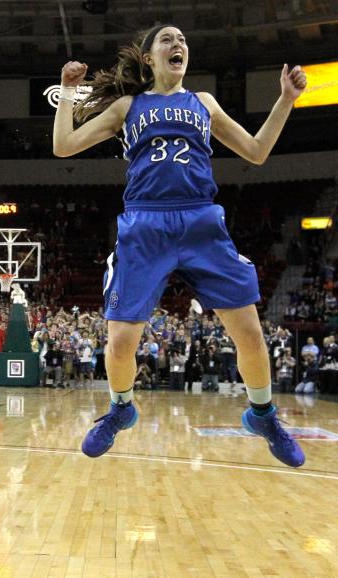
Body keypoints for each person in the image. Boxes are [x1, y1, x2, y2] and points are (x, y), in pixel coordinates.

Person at [55, 25, 306, 466]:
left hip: (200, 221)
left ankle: (263, 415)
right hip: (145, 223)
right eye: (167, 40)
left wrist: (285, 99)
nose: (179, 44)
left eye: (184, 40)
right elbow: (63, 145)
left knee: (250, 334)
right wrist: (67, 92)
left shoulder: (203, 103)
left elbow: (256, 150)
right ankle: (120, 409)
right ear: (150, 59)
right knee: (119, 343)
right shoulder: (129, 106)